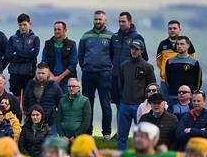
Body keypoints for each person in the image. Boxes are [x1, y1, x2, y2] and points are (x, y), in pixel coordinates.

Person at [78, 10, 114, 139]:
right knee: (87, 104)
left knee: (105, 104)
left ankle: (106, 133)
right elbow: (80, 55)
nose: (97, 21)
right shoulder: (85, 36)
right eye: (96, 19)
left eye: (100, 19)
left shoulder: (111, 36)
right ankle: (88, 133)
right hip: (88, 73)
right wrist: (85, 67)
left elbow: (113, 55)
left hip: (105, 74)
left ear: (105, 20)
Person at [117, 39, 156, 150]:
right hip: (124, 104)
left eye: (137, 49)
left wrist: (146, 102)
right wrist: (123, 97)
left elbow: (152, 86)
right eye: (132, 48)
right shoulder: (124, 65)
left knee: (141, 135)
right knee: (122, 136)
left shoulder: (147, 67)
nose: (134, 51)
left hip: (140, 106)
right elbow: (120, 84)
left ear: (142, 51)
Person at [111, 12, 148, 109]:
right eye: (119, 21)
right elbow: (111, 55)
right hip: (116, 76)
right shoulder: (114, 37)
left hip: (130, 77)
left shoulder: (137, 37)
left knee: (134, 105)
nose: (121, 24)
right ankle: (120, 124)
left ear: (130, 22)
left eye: (123, 21)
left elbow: (144, 58)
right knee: (118, 104)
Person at [156, 20, 198, 100]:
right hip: (165, 81)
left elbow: (193, 60)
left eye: (174, 28)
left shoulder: (186, 43)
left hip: (184, 80)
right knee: (166, 105)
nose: (172, 30)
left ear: (179, 29)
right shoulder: (163, 44)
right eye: (170, 28)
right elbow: (159, 62)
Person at [5, 13, 40, 98]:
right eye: (20, 25)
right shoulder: (12, 39)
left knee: (28, 99)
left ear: (30, 24)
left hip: (29, 74)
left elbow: (34, 54)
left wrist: (17, 53)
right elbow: (8, 56)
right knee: (15, 99)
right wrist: (26, 57)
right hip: (14, 74)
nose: (22, 27)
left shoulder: (35, 39)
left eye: (24, 24)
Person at [24, 62, 63, 134]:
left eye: (43, 73)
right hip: (33, 123)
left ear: (48, 74)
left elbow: (61, 104)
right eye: (38, 73)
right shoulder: (30, 85)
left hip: (50, 123)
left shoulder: (54, 86)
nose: (40, 75)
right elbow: (25, 102)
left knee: (51, 144)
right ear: (35, 73)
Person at [176, 90, 207, 155]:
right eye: (194, 101)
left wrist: (191, 130)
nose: (196, 103)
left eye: (199, 101)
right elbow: (178, 135)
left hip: (205, 154)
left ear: (204, 102)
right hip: (186, 154)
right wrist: (200, 132)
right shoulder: (185, 116)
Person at [165, 36, 202, 107]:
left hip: (189, 99)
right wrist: (172, 90)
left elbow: (198, 81)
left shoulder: (194, 62)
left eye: (182, 44)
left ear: (188, 45)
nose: (179, 46)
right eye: (177, 44)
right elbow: (167, 80)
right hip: (173, 97)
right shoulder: (170, 61)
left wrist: (192, 94)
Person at [41, 21, 78, 92]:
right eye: (55, 29)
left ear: (65, 30)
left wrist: (60, 78)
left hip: (68, 80)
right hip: (51, 80)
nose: (56, 31)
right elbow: (44, 62)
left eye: (59, 29)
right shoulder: (48, 44)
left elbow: (73, 64)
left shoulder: (72, 44)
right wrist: (52, 77)